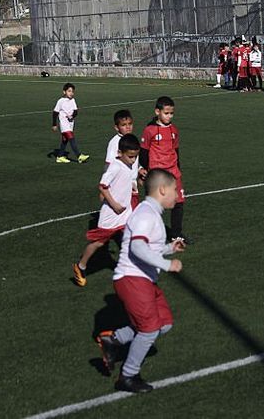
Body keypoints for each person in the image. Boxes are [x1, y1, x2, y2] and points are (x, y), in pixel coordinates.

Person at [95, 168, 184, 393]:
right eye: (175, 190)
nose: (178, 194)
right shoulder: (146, 214)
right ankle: (127, 376)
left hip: (143, 280)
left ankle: (114, 339)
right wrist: (167, 265)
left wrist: (168, 249)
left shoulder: (151, 214)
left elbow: (146, 247)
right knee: (149, 329)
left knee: (164, 324)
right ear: (162, 190)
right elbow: (137, 247)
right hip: (133, 279)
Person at [72, 134, 142, 287]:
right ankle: (81, 266)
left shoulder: (128, 164)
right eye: (130, 157)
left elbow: (126, 181)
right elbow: (102, 186)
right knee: (98, 242)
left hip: (125, 211)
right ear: (120, 153)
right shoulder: (115, 166)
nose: (133, 160)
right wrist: (114, 204)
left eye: (135, 157)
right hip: (112, 213)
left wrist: (135, 185)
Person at [139, 97, 186, 241]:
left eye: (171, 113)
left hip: (173, 172)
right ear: (157, 112)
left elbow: (175, 150)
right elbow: (144, 152)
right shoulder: (149, 130)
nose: (169, 116)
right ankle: (150, 234)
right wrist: (143, 170)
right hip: (157, 173)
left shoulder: (174, 129)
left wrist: (178, 168)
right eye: (166, 113)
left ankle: (176, 234)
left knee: (179, 203)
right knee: (155, 205)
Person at [52, 83, 89, 164]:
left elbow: (75, 111)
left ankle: (60, 156)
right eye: (69, 91)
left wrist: (72, 116)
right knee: (71, 137)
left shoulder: (73, 100)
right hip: (64, 123)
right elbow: (55, 113)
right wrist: (54, 124)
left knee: (65, 140)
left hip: (71, 123)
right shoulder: (60, 101)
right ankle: (79, 156)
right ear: (64, 92)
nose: (71, 93)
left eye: (72, 91)